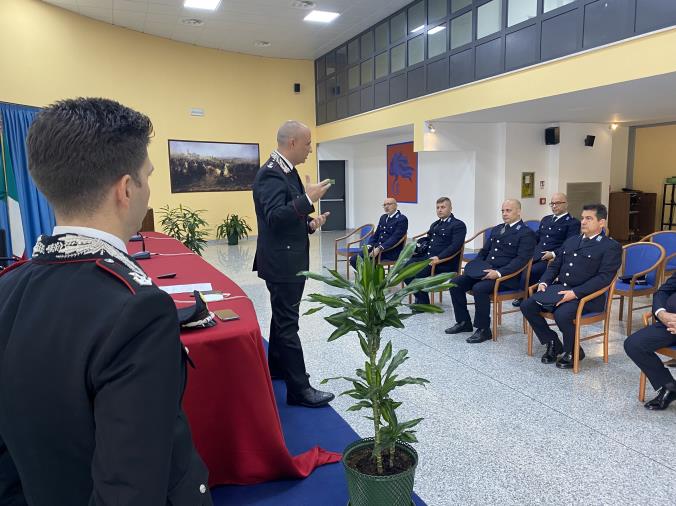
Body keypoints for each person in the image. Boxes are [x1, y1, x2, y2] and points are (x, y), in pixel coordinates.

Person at [0, 98, 211, 505]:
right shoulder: (137, 311)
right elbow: (130, 491)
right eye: (147, 176)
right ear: (127, 189)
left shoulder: (7, 290)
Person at [252, 120, 334, 408]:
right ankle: (299, 390)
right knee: (288, 325)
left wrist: (310, 223)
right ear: (292, 144)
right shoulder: (271, 175)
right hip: (282, 263)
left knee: (281, 318)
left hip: (286, 258)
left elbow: (288, 219)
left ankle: (276, 367)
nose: (311, 149)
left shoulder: (288, 171)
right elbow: (274, 217)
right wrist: (306, 200)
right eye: (308, 143)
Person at [521, 204, 622, 369]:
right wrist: (545, 282)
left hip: (588, 296)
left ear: (601, 222)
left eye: (589, 218)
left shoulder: (610, 246)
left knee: (562, 314)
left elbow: (604, 278)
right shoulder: (572, 240)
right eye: (582, 218)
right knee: (527, 305)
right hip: (560, 289)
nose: (583, 222)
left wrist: (575, 293)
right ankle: (553, 342)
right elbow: (554, 266)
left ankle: (572, 351)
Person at [446, 199, 536, 343]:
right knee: (455, 283)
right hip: (485, 271)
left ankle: (483, 329)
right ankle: (464, 322)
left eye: (508, 210)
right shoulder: (498, 229)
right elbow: (484, 252)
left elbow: (521, 260)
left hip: (507, 277)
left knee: (479, 288)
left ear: (519, 211)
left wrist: (498, 273)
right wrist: (476, 268)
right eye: (502, 211)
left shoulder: (526, 233)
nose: (504, 214)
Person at [512, 193, 580, 307]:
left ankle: (526, 296)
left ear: (566, 204)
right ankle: (518, 291)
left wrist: (553, 254)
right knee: (517, 263)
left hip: (551, 258)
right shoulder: (546, 219)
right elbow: (537, 237)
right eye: (552, 203)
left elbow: (569, 244)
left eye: (558, 203)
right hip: (536, 253)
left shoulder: (573, 223)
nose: (554, 206)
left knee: (532, 270)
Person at [624, 273, 676, 410]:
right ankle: (669, 386)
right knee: (634, 344)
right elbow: (663, 291)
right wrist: (661, 314)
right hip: (669, 322)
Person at [405, 197, 466, 305]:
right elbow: (428, 240)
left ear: (450, 208)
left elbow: (455, 246)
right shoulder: (435, 224)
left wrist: (439, 257)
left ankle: (422, 303)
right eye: (437, 207)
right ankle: (420, 297)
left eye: (443, 207)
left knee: (418, 273)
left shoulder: (458, 225)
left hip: (444, 262)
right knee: (405, 268)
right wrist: (417, 249)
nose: (440, 210)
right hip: (428, 258)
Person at [349, 197, 408, 270]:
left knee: (367, 261)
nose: (386, 207)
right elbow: (376, 234)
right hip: (376, 248)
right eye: (384, 205)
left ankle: (372, 278)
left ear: (395, 205)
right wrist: (369, 245)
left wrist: (380, 248)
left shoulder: (402, 219)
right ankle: (368, 279)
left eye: (389, 204)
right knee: (354, 260)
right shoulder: (383, 217)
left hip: (389, 251)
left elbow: (395, 238)